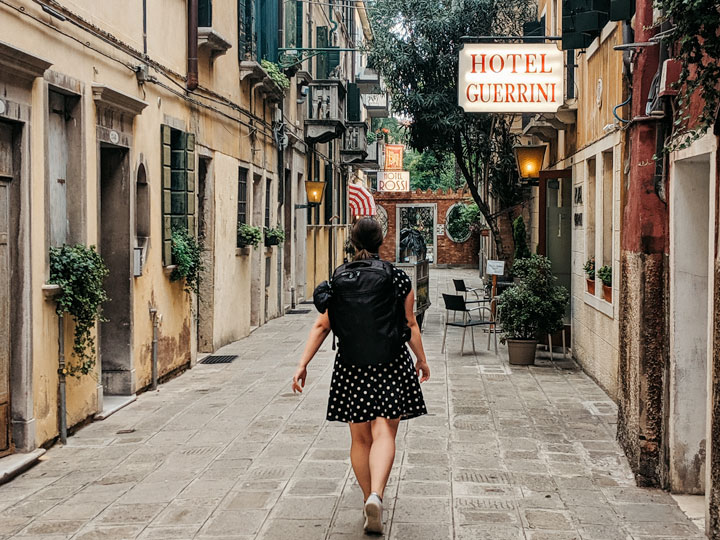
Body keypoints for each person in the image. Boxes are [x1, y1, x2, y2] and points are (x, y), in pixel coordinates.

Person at [292, 217, 430, 535]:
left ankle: (368, 499)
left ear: (353, 243)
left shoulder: (339, 278)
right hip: (391, 362)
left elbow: (322, 325)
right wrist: (421, 360)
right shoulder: (397, 279)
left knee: (360, 438)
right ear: (382, 240)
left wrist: (303, 364)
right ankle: (377, 496)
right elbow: (409, 325)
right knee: (384, 432)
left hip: (352, 365)